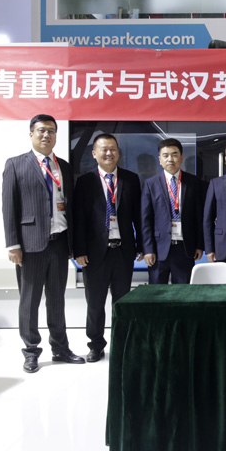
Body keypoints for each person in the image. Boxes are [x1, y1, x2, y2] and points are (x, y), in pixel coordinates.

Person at [1, 114, 84, 373]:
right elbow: (8, 207)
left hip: (59, 243)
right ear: (31, 134)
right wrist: (13, 244)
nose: (46, 135)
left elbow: (71, 207)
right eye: (41, 130)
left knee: (57, 300)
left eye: (51, 130)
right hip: (30, 246)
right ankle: (31, 351)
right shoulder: (16, 164)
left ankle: (60, 348)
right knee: (29, 301)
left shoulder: (64, 167)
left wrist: (73, 244)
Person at [72, 134, 142, 363]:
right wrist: (79, 250)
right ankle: (95, 345)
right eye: (104, 149)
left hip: (122, 251)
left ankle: (121, 343)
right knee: (95, 302)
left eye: (113, 149)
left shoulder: (131, 179)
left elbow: (139, 215)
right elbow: (78, 219)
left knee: (121, 301)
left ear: (118, 152)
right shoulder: (85, 181)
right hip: (94, 253)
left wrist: (141, 244)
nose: (109, 153)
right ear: (94, 154)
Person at [141, 138, 205, 284]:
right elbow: (145, 219)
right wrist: (148, 249)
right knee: (156, 293)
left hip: (185, 248)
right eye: (165, 155)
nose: (170, 159)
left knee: (183, 292)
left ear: (181, 158)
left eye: (174, 155)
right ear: (160, 160)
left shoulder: (194, 182)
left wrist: (199, 245)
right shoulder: (150, 184)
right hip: (158, 249)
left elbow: (199, 216)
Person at [203, 142, 226, 264]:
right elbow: (208, 219)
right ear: (225, 160)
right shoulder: (215, 184)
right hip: (222, 244)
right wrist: (209, 249)